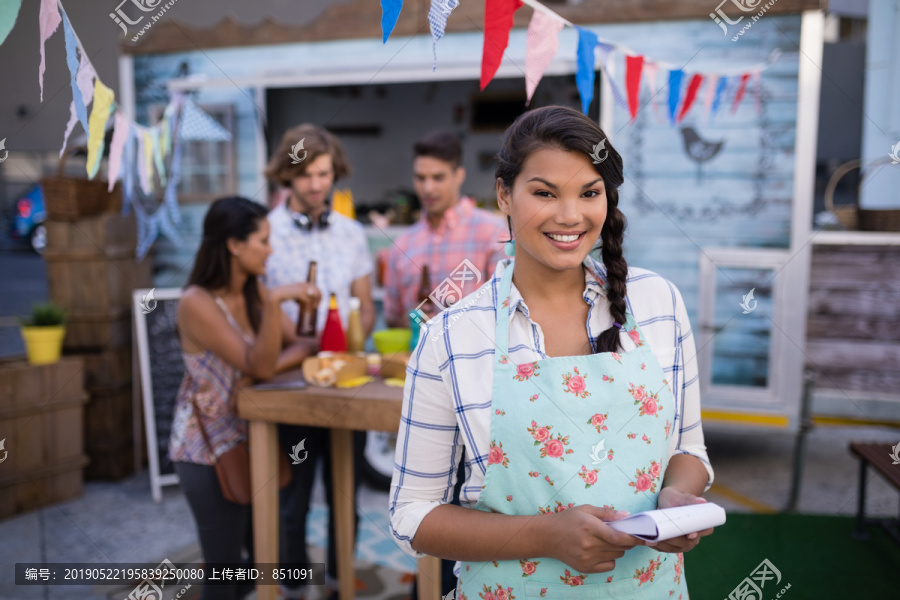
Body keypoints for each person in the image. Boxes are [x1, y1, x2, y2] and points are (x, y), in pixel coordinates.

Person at [389, 106, 716, 599]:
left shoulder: (659, 303)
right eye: (544, 193)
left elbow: (689, 449)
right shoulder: (452, 336)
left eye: (590, 193)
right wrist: (544, 536)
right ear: (504, 194)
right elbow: (412, 515)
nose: (570, 216)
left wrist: (675, 499)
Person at [169, 196, 320, 600]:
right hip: (205, 449)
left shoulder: (254, 292)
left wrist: (261, 366)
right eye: (263, 241)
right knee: (223, 575)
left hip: (251, 440)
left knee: (256, 569)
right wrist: (275, 308)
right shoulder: (196, 303)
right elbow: (264, 360)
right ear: (234, 245)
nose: (271, 250)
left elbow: (306, 341)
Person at [264, 124, 376, 600]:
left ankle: (336, 583)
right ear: (286, 174)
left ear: (336, 174)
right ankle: (292, 587)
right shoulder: (262, 232)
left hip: (344, 380)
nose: (315, 184)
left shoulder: (352, 233)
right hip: (289, 382)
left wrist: (353, 340)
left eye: (324, 174)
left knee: (344, 496)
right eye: (305, 174)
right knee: (291, 497)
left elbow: (366, 304)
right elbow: (257, 306)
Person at [382, 130, 507, 328]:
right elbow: (392, 319)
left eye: (438, 177)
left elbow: (507, 310)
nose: (428, 188)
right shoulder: (402, 244)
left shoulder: (492, 232)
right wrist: (416, 319)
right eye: (420, 178)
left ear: (459, 176)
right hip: (418, 357)